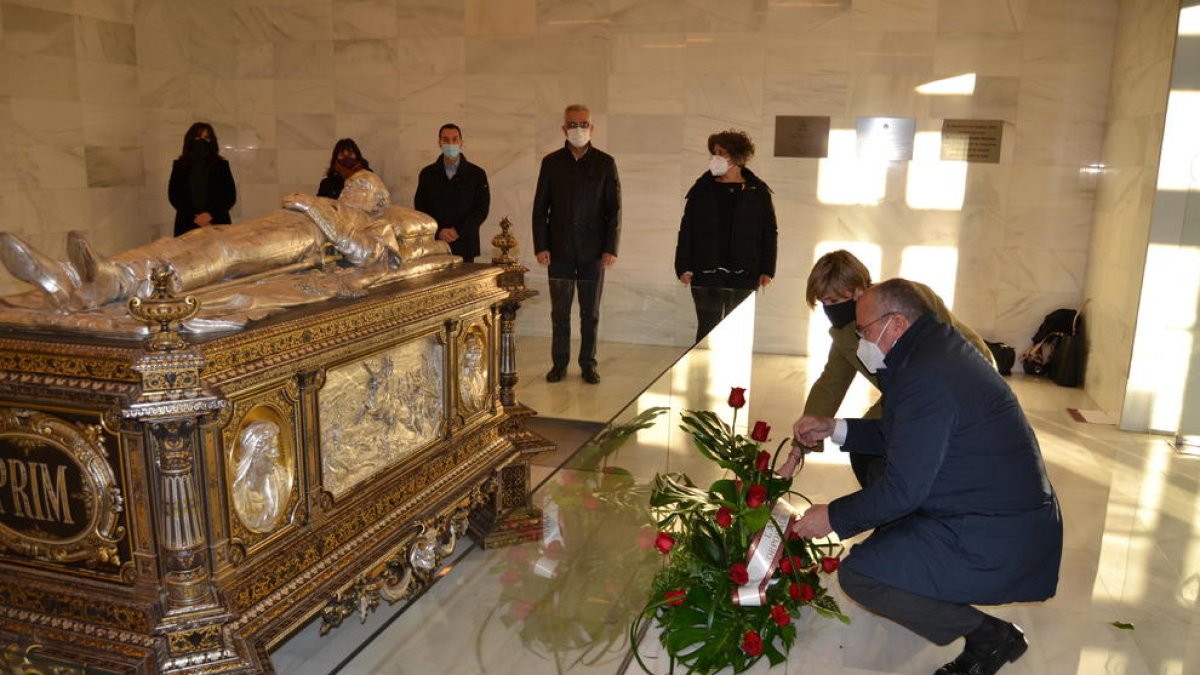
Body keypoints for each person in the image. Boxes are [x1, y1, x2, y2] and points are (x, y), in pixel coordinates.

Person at [790, 279, 1062, 675]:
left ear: (896, 325)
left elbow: (903, 490)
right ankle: (909, 558)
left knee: (861, 574)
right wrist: (834, 428)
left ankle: (989, 637)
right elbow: (900, 434)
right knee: (884, 533)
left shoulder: (925, 375)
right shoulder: (930, 353)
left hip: (996, 532)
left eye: (865, 331)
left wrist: (830, 516)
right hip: (985, 507)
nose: (861, 341)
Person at [0, 171, 450, 310]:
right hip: (283, 224)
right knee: (207, 235)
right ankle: (82, 274)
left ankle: (117, 282)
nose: (353, 188)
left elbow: (368, 257)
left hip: (306, 241)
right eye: (352, 184)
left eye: (363, 187)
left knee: (223, 253)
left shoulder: (377, 224)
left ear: (378, 202)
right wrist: (312, 204)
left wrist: (317, 211)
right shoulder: (326, 201)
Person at [800, 250, 995, 487]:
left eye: (833, 301)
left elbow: (947, 347)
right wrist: (801, 443)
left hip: (963, 373)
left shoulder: (907, 299)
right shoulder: (844, 331)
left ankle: (905, 506)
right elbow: (831, 383)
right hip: (904, 389)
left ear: (858, 290)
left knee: (913, 447)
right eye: (822, 303)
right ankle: (891, 511)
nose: (828, 310)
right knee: (864, 447)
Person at [532, 104, 621, 385]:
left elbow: (614, 209)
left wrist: (611, 247)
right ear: (563, 129)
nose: (578, 129)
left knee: (590, 313)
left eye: (584, 124)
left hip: (593, 252)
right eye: (573, 124)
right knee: (560, 312)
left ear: (592, 128)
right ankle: (559, 364)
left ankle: (588, 364)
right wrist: (541, 245)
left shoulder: (605, 163)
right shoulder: (551, 163)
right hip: (558, 250)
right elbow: (540, 209)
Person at [674, 130, 776, 342]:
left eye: (721, 153)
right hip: (706, 272)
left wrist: (767, 269)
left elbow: (769, 232)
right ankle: (700, 373)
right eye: (713, 153)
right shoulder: (702, 189)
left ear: (737, 158)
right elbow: (687, 229)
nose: (715, 158)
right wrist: (682, 266)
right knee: (707, 329)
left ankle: (731, 375)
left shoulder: (758, 191)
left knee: (736, 331)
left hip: (745, 274)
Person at [414, 124, 490, 263]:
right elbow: (421, 207)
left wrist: (458, 231)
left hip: (465, 244)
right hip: (435, 244)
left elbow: (481, 209)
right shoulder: (427, 174)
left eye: (454, 139)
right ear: (439, 143)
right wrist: (439, 231)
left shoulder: (477, 174)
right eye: (446, 140)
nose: (451, 144)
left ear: (461, 142)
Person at [168, 122, 237, 237]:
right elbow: (174, 195)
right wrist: (196, 217)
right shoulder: (180, 166)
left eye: (206, 138)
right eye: (198, 137)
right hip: (187, 224)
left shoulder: (221, 165)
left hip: (217, 222)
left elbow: (230, 196)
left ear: (212, 141)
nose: (201, 141)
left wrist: (210, 215)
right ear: (190, 139)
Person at [232, 421, 291, 533]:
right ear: (254, 455)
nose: (277, 454)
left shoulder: (281, 478)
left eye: (276, 448)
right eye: (270, 449)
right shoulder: (238, 495)